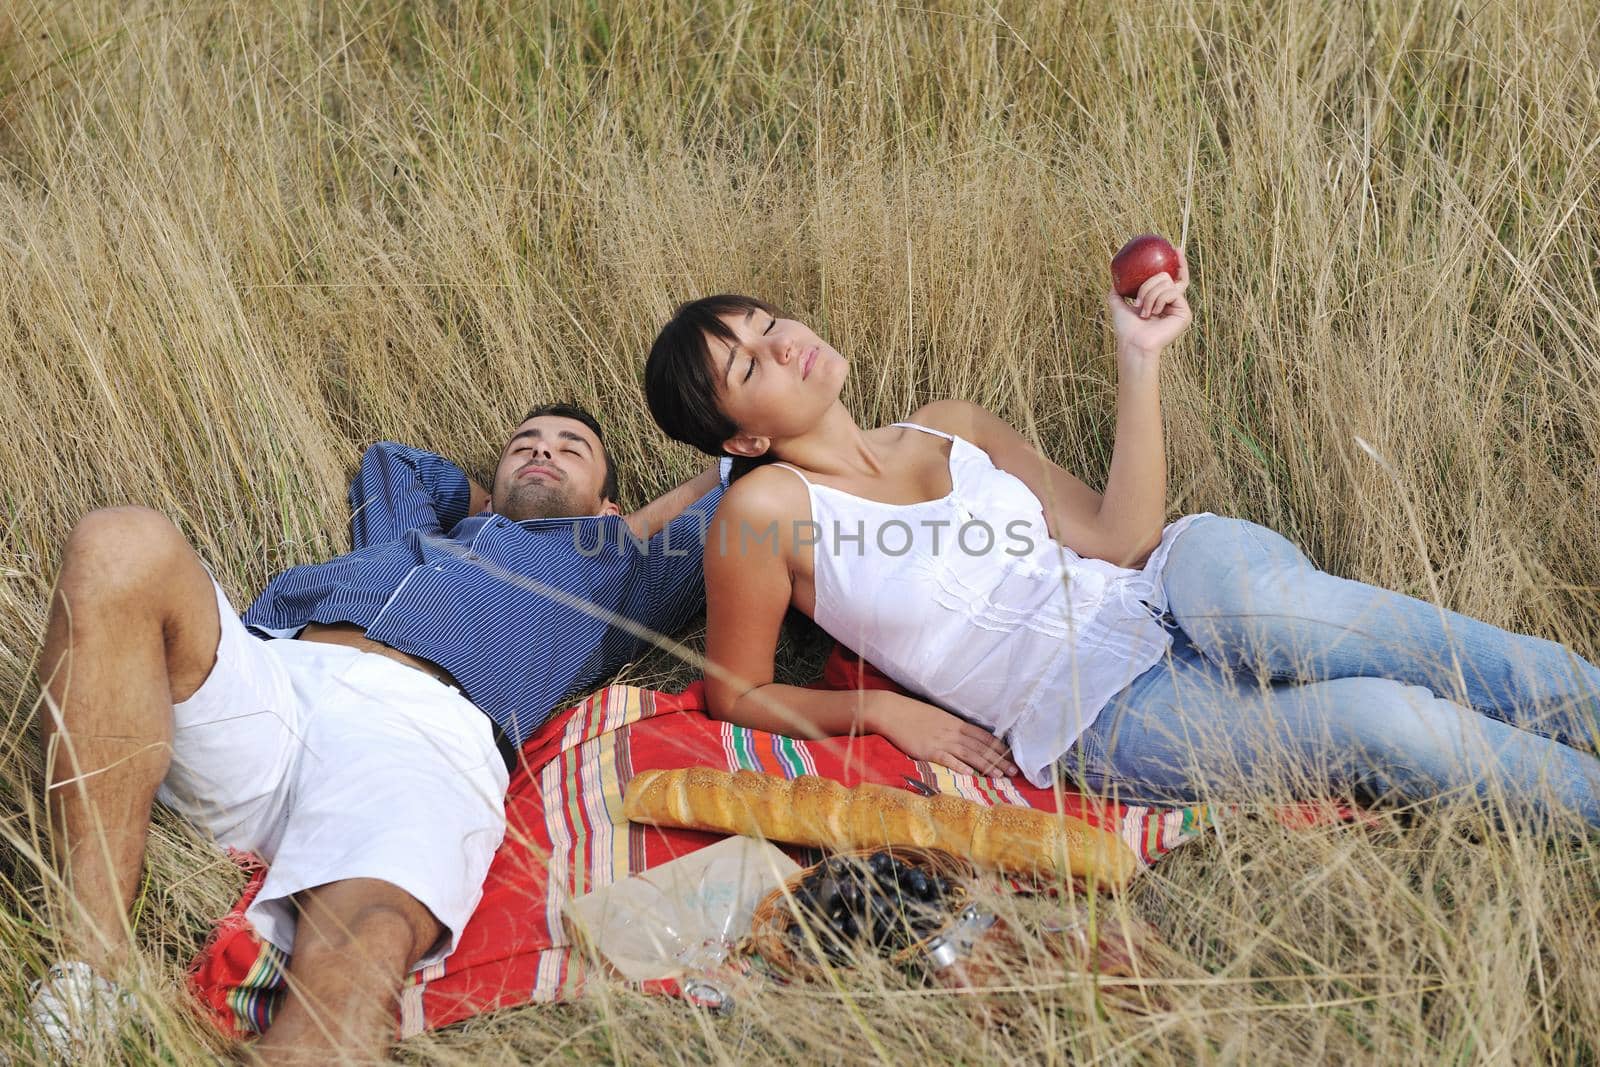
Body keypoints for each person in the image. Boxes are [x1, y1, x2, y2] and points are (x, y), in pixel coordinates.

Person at [641, 265, 1600, 832]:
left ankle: (1582, 697)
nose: (783, 344)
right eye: (748, 364)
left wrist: (1138, 357)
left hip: (1174, 578)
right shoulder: (763, 509)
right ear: (742, 438)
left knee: (1284, 622)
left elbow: (1120, 536)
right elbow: (736, 692)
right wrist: (883, 712)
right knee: (1379, 722)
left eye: (770, 324)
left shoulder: (950, 424)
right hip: (1096, 709)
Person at [30, 403, 727, 1062]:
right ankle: (89, 973)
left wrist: (622, 529)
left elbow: (740, 497)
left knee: (359, 959)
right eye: (525, 443)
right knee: (119, 540)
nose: (542, 448)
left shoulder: (615, 575)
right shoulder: (404, 534)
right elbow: (397, 461)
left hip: (421, 738)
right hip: (278, 677)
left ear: (610, 505)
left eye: (570, 448)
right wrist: (500, 508)